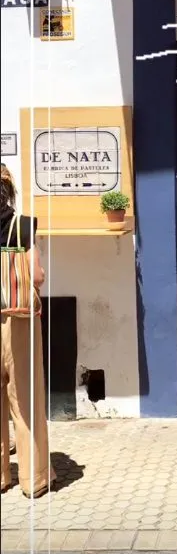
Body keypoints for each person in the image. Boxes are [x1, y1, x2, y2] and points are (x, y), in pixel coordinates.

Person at [1, 164, 56, 497]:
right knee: (25, 399)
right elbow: (35, 276)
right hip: (18, 320)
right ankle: (33, 479)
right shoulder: (21, 227)